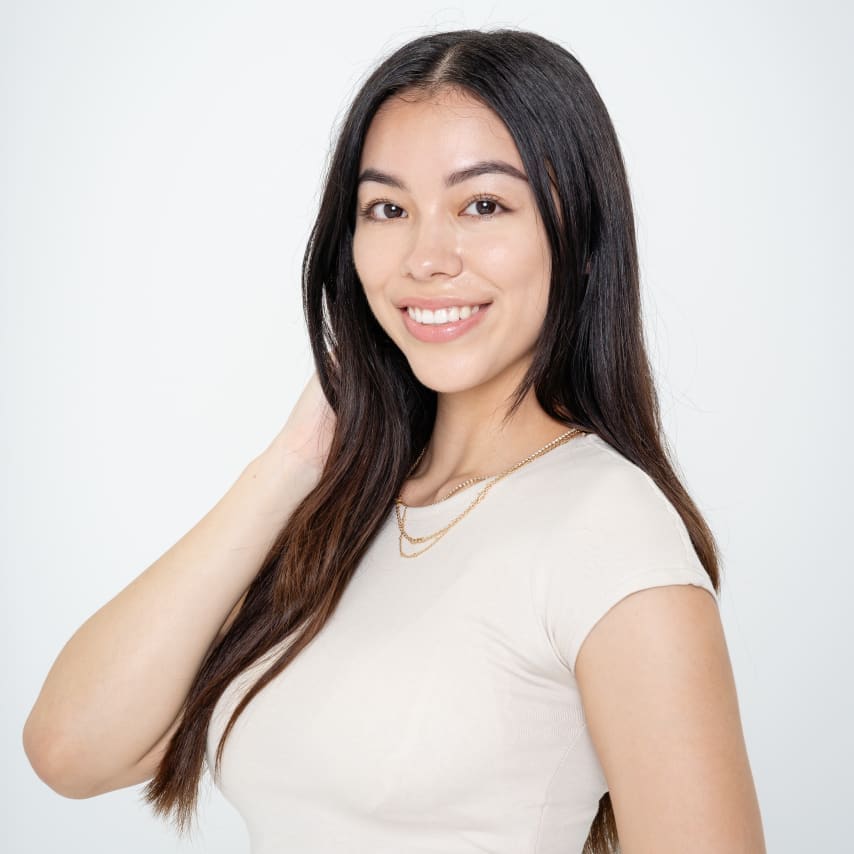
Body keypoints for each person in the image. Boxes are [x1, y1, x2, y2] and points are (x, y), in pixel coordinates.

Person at [22, 27, 766, 854]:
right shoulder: (340, 507)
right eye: (388, 208)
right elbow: (72, 749)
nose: (426, 257)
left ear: (582, 238)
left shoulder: (610, 533)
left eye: (483, 205)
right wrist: (292, 463)